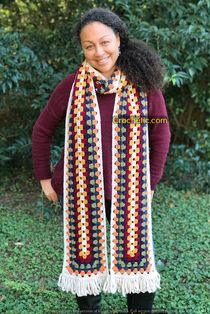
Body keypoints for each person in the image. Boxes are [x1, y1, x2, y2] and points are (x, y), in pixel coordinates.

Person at [32, 7, 171, 314]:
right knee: (86, 259)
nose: (99, 52)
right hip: (81, 193)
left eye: (105, 42)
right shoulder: (70, 87)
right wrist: (45, 178)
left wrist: (152, 182)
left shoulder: (143, 86)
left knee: (138, 256)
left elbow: (160, 133)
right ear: (82, 49)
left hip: (132, 191)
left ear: (119, 39)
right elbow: (42, 130)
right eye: (89, 45)